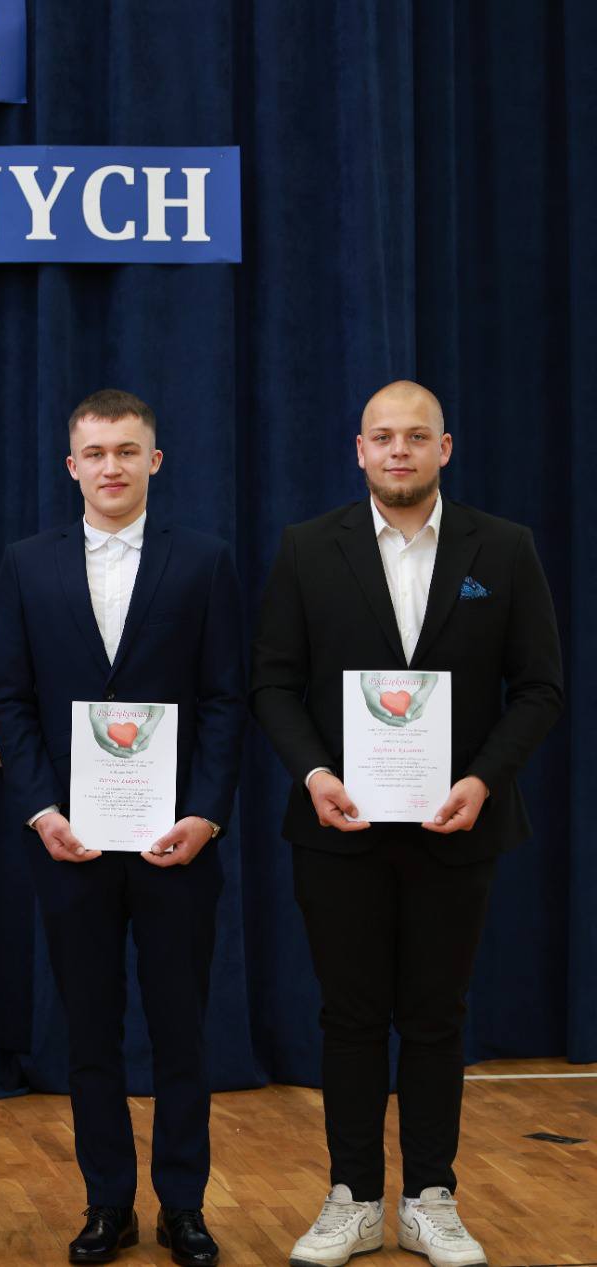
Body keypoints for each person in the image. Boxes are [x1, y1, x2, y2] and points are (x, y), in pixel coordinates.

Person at [251, 381, 562, 1267]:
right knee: (349, 1016)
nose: (398, 451)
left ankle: (431, 1197)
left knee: (436, 1016)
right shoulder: (308, 547)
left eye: (415, 437)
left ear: (444, 448)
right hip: (338, 827)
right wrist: (315, 774)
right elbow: (272, 681)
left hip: (457, 827)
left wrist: (482, 780)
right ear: (359, 450)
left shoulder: (504, 547)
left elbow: (539, 687)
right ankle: (351, 1197)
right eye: (382, 437)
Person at [0, 389, 246, 1267]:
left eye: (127, 451)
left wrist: (205, 812)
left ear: (154, 461)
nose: (111, 466)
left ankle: (184, 1206)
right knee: (89, 1032)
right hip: (72, 842)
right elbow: (9, 699)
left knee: (181, 1031)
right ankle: (107, 1203)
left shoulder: (204, 561)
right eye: (95, 452)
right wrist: (40, 811)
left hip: (178, 842)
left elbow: (225, 699)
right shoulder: (27, 563)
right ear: (72, 466)